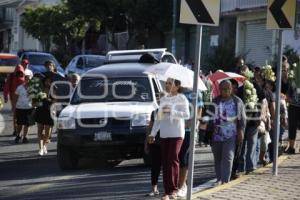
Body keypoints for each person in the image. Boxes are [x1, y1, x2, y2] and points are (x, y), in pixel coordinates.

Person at [148, 78, 190, 200]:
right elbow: (158, 118)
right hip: (164, 134)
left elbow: (187, 115)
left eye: (170, 83)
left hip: (177, 133)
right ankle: (167, 191)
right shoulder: (164, 99)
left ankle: (174, 190)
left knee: (173, 159)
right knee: (166, 162)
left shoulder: (182, 98)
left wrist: (172, 111)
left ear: (177, 86)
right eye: (166, 83)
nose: (166, 85)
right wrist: (153, 133)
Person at [208, 80, 246, 184]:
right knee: (218, 158)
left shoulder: (237, 101)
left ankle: (225, 181)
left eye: (227, 89)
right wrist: (209, 130)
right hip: (217, 135)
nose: (224, 91)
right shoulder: (215, 101)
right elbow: (210, 117)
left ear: (231, 89)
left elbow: (242, 119)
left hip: (231, 135)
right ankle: (219, 179)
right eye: (222, 89)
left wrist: (241, 131)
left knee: (228, 157)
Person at [177, 89, 203, 198]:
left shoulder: (195, 92)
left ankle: (181, 186)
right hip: (175, 130)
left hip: (188, 131)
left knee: (183, 157)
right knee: (176, 158)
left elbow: (199, 112)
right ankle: (182, 183)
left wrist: (190, 123)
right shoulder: (175, 91)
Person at [144, 93, 164, 197]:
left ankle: (169, 188)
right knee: (155, 166)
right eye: (159, 99)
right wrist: (147, 143)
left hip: (167, 142)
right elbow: (150, 128)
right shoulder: (154, 112)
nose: (160, 100)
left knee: (168, 166)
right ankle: (154, 188)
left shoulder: (171, 112)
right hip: (155, 143)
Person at [3, 59, 28, 136]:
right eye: (25, 64)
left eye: (26, 64)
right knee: (17, 113)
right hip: (15, 97)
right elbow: (6, 87)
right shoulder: (14, 76)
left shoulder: (25, 73)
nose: (26, 65)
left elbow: (6, 86)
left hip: (19, 97)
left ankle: (17, 129)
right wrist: (5, 96)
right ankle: (16, 129)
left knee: (18, 113)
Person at [35, 76, 54, 156]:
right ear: (44, 82)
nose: (48, 83)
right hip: (40, 111)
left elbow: (56, 100)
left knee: (47, 133)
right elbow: (35, 101)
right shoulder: (39, 90)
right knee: (40, 130)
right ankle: (41, 149)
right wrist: (40, 102)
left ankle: (45, 145)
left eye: (49, 81)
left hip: (49, 112)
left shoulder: (54, 90)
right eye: (46, 81)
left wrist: (50, 101)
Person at [14, 70, 34, 143]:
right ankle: (18, 135)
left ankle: (25, 137)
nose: (27, 80)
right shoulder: (19, 87)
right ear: (24, 79)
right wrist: (14, 108)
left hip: (29, 108)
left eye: (29, 78)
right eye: (26, 78)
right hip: (20, 108)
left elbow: (35, 98)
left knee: (27, 124)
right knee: (19, 124)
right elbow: (15, 98)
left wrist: (34, 106)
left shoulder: (33, 88)